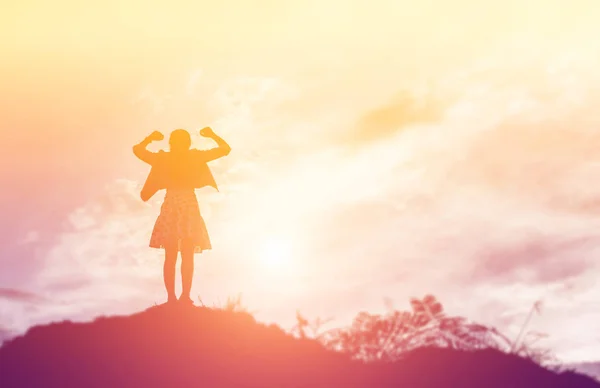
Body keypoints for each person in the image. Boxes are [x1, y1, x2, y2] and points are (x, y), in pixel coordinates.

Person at [133, 127, 231, 304]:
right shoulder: (192, 156)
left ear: (172, 143)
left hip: (173, 203)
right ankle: (182, 296)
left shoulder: (163, 158)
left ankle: (175, 297)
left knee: (173, 254)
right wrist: (211, 135)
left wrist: (151, 138)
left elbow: (138, 150)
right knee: (186, 253)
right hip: (186, 204)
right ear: (188, 143)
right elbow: (225, 149)